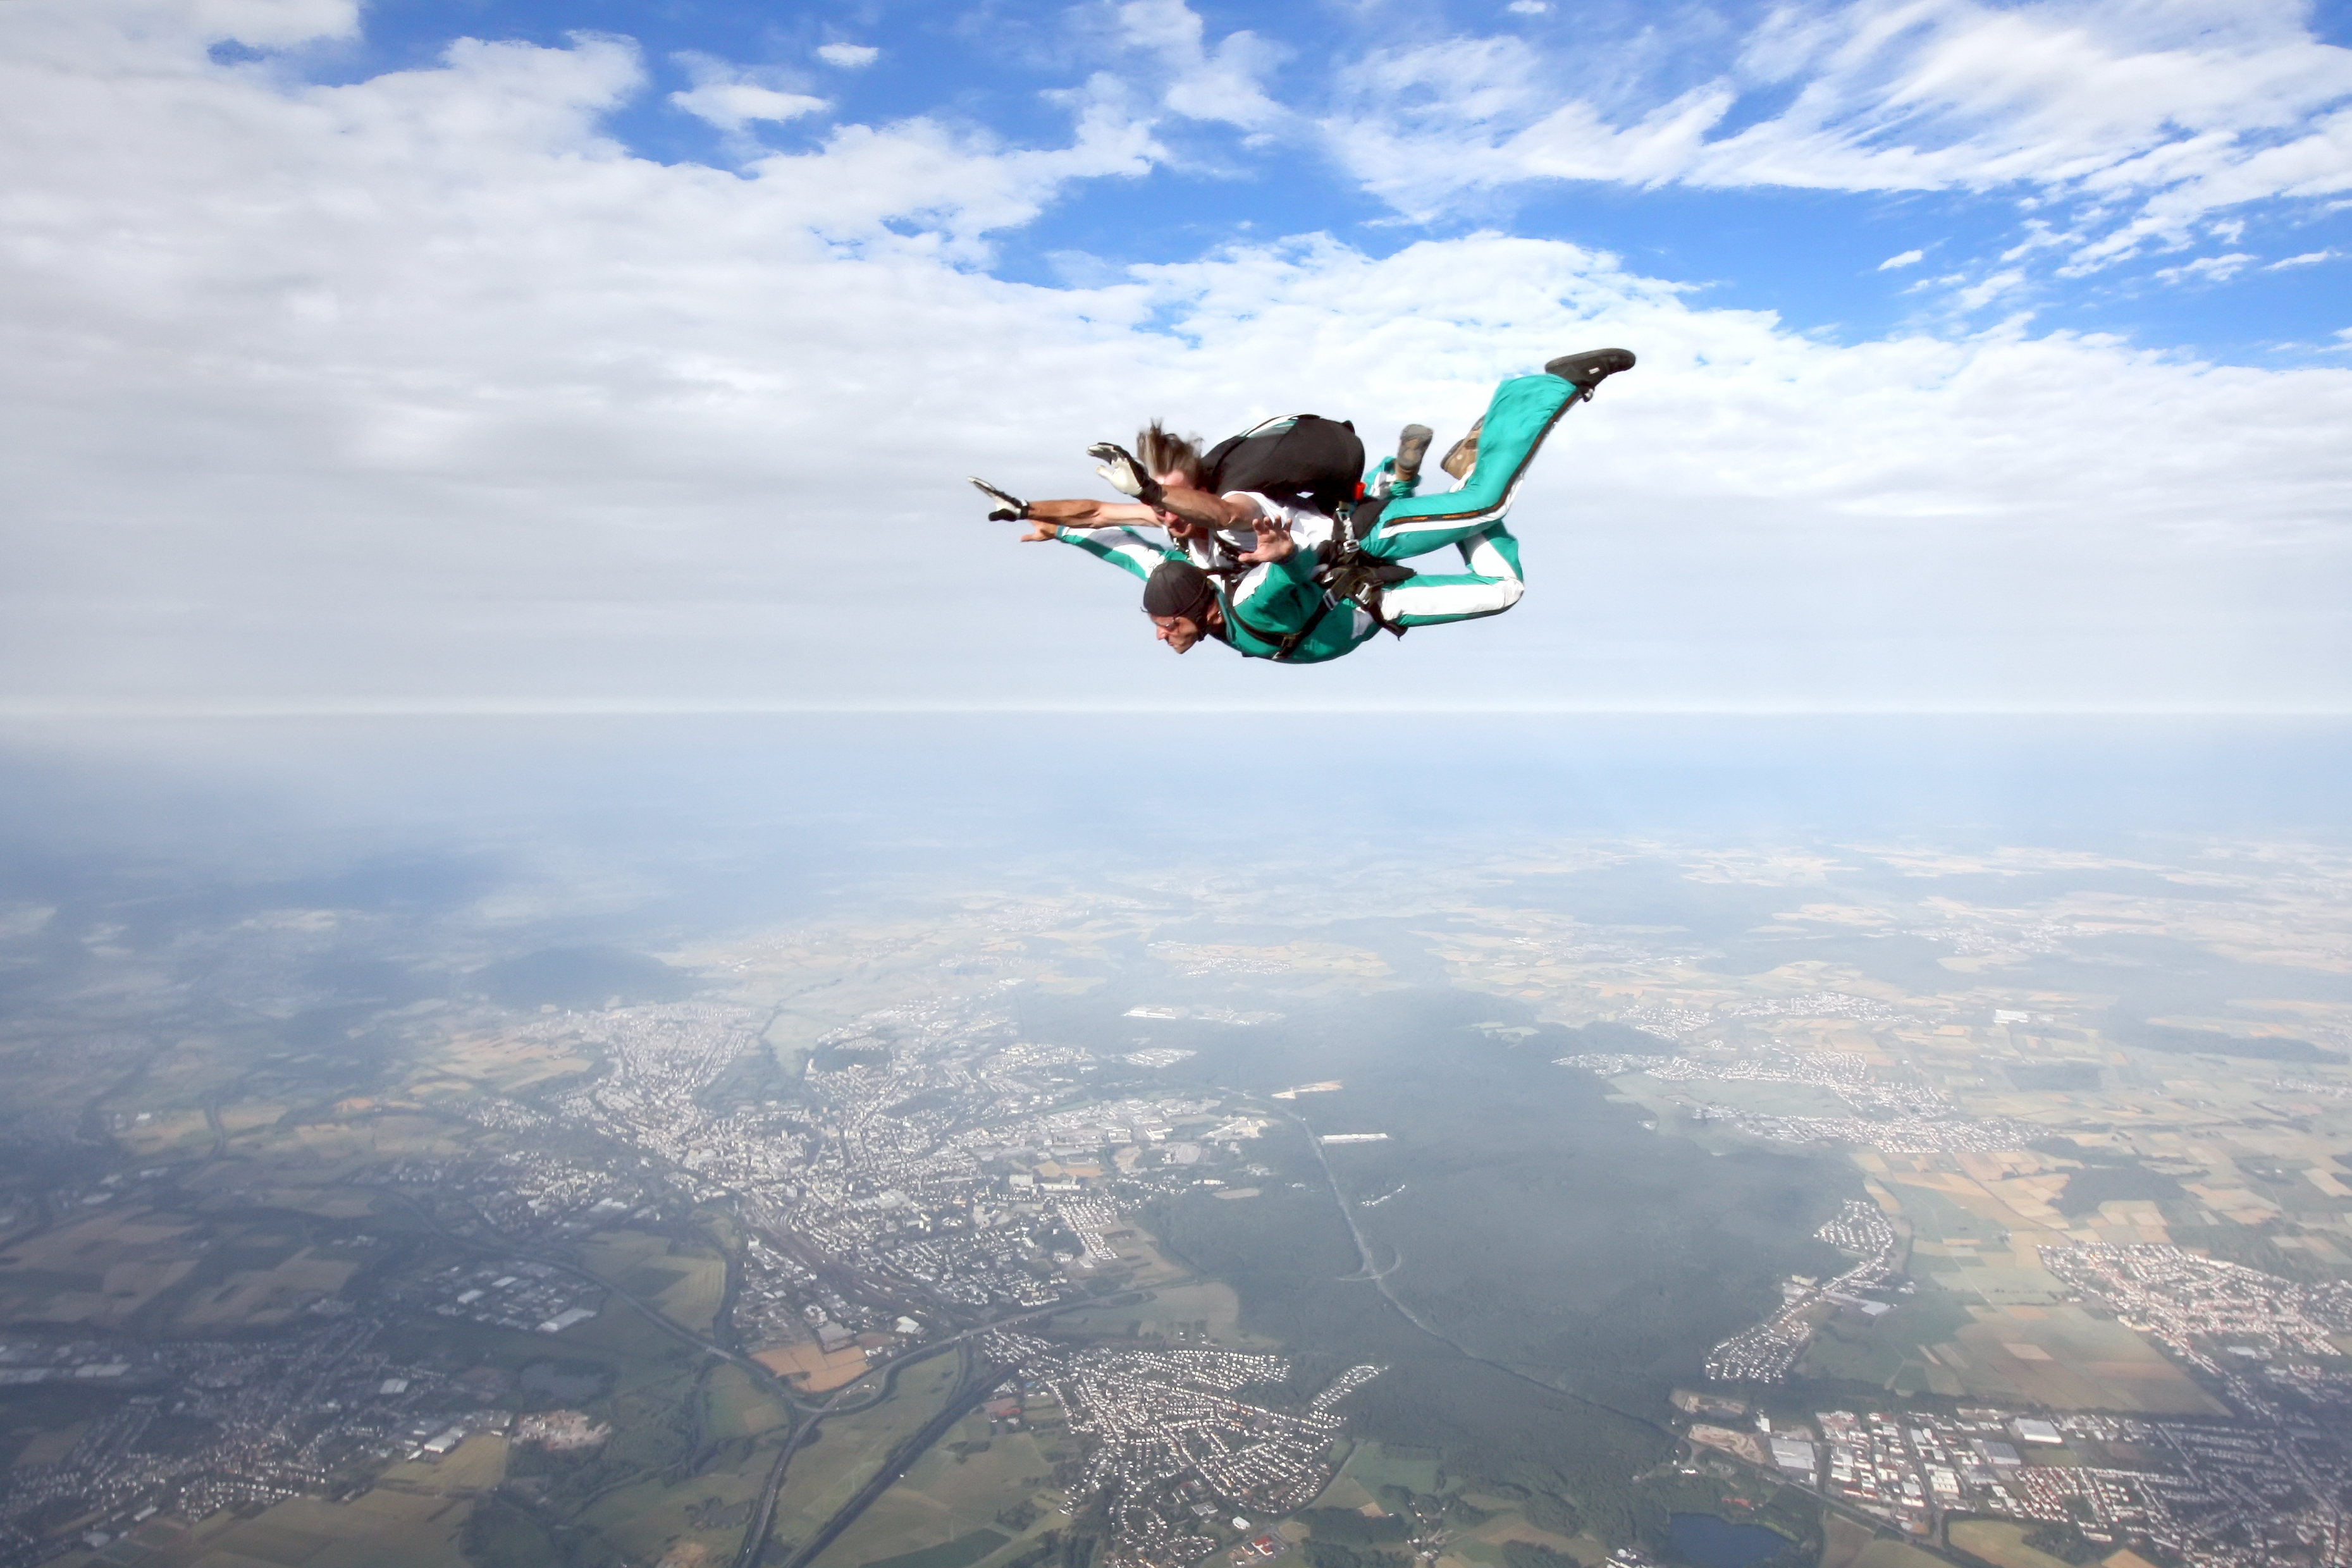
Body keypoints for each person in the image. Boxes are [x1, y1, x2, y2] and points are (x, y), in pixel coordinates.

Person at [980, 348, 1633, 662]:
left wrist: (1164, 498)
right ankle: (1399, 477)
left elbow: (1240, 535)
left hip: (1361, 543)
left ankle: (1532, 391)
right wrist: (1032, 513)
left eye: (1176, 499)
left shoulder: (1228, 508)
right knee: (1501, 587)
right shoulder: (1184, 552)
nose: (1167, 515)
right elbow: (1105, 529)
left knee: (1482, 507)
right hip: (1363, 596)